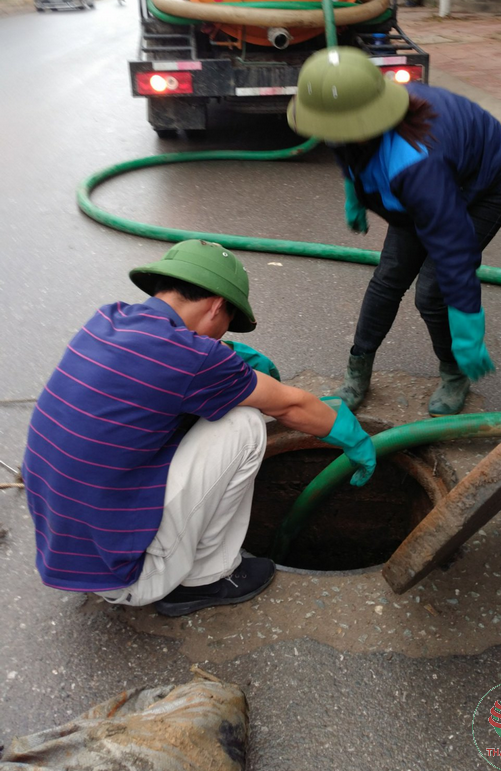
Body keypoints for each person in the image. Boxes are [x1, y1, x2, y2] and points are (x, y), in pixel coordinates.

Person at [22, 240, 375, 618]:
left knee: (188, 414)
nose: (223, 338)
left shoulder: (107, 320)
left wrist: (230, 362)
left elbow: (161, 370)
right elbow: (291, 404)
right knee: (244, 423)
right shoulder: (195, 357)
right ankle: (204, 578)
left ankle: (167, 557)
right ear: (216, 307)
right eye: (226, 327)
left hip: (67, 552)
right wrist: (355, 438)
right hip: (126, 577)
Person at [287, 47, 501, 417]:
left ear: (367, 122)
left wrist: (468, 329)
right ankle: (358, 369)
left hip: (482, 185)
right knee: (389, 277)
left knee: (433, 291)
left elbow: (454, 252)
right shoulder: (350, 127)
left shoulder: (417, 166)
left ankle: (455, 371)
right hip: (430, 178)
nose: (329, 137)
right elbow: (347, 154)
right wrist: (355, 196)